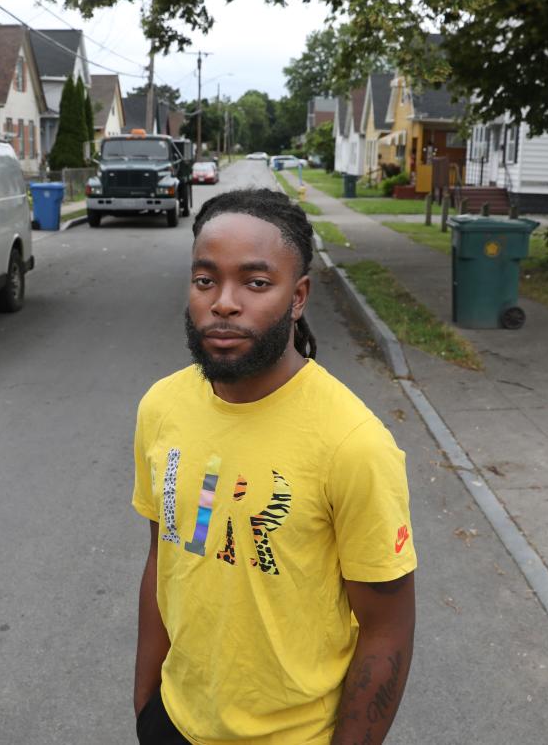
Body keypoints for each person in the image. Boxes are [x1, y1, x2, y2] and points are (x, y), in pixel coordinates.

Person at [132, 188, 417, 744]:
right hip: (173, 723)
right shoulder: (161, 408)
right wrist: (145, 703)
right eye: (205, 279)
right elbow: (162, 556)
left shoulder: (352, 444)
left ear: (298, 296)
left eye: (256, 283)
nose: (224, 303)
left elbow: (388, 630)